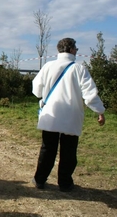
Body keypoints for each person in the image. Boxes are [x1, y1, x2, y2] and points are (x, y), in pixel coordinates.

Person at [32, 37, 105, 192]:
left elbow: (36, 89)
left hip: (51, 114)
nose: (76, 52)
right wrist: (100, 110)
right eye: (76, 49)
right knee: (69, 151)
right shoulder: (79, 69)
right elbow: (89, 94)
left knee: (47, 149)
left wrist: (43, 97)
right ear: (72, 50)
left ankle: (39, 180)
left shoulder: (48, 66)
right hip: (71, 117)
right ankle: (65, 183)